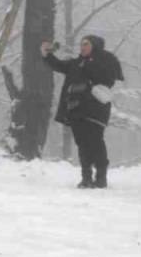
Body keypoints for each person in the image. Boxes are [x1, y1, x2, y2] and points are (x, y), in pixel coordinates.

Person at [41, 37, 124, 188]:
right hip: (76, 110)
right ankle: (86, 177)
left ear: (95, 46)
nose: (82, 47)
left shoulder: (105, 61)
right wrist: (47, 54)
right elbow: (58, 65)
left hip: (95, 110)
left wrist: (88, 66)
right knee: (82, 144)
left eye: (86, 44)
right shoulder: (76, 63)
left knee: (96, 142)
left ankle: (101, 177)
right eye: (81, 44)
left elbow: (108, 80)